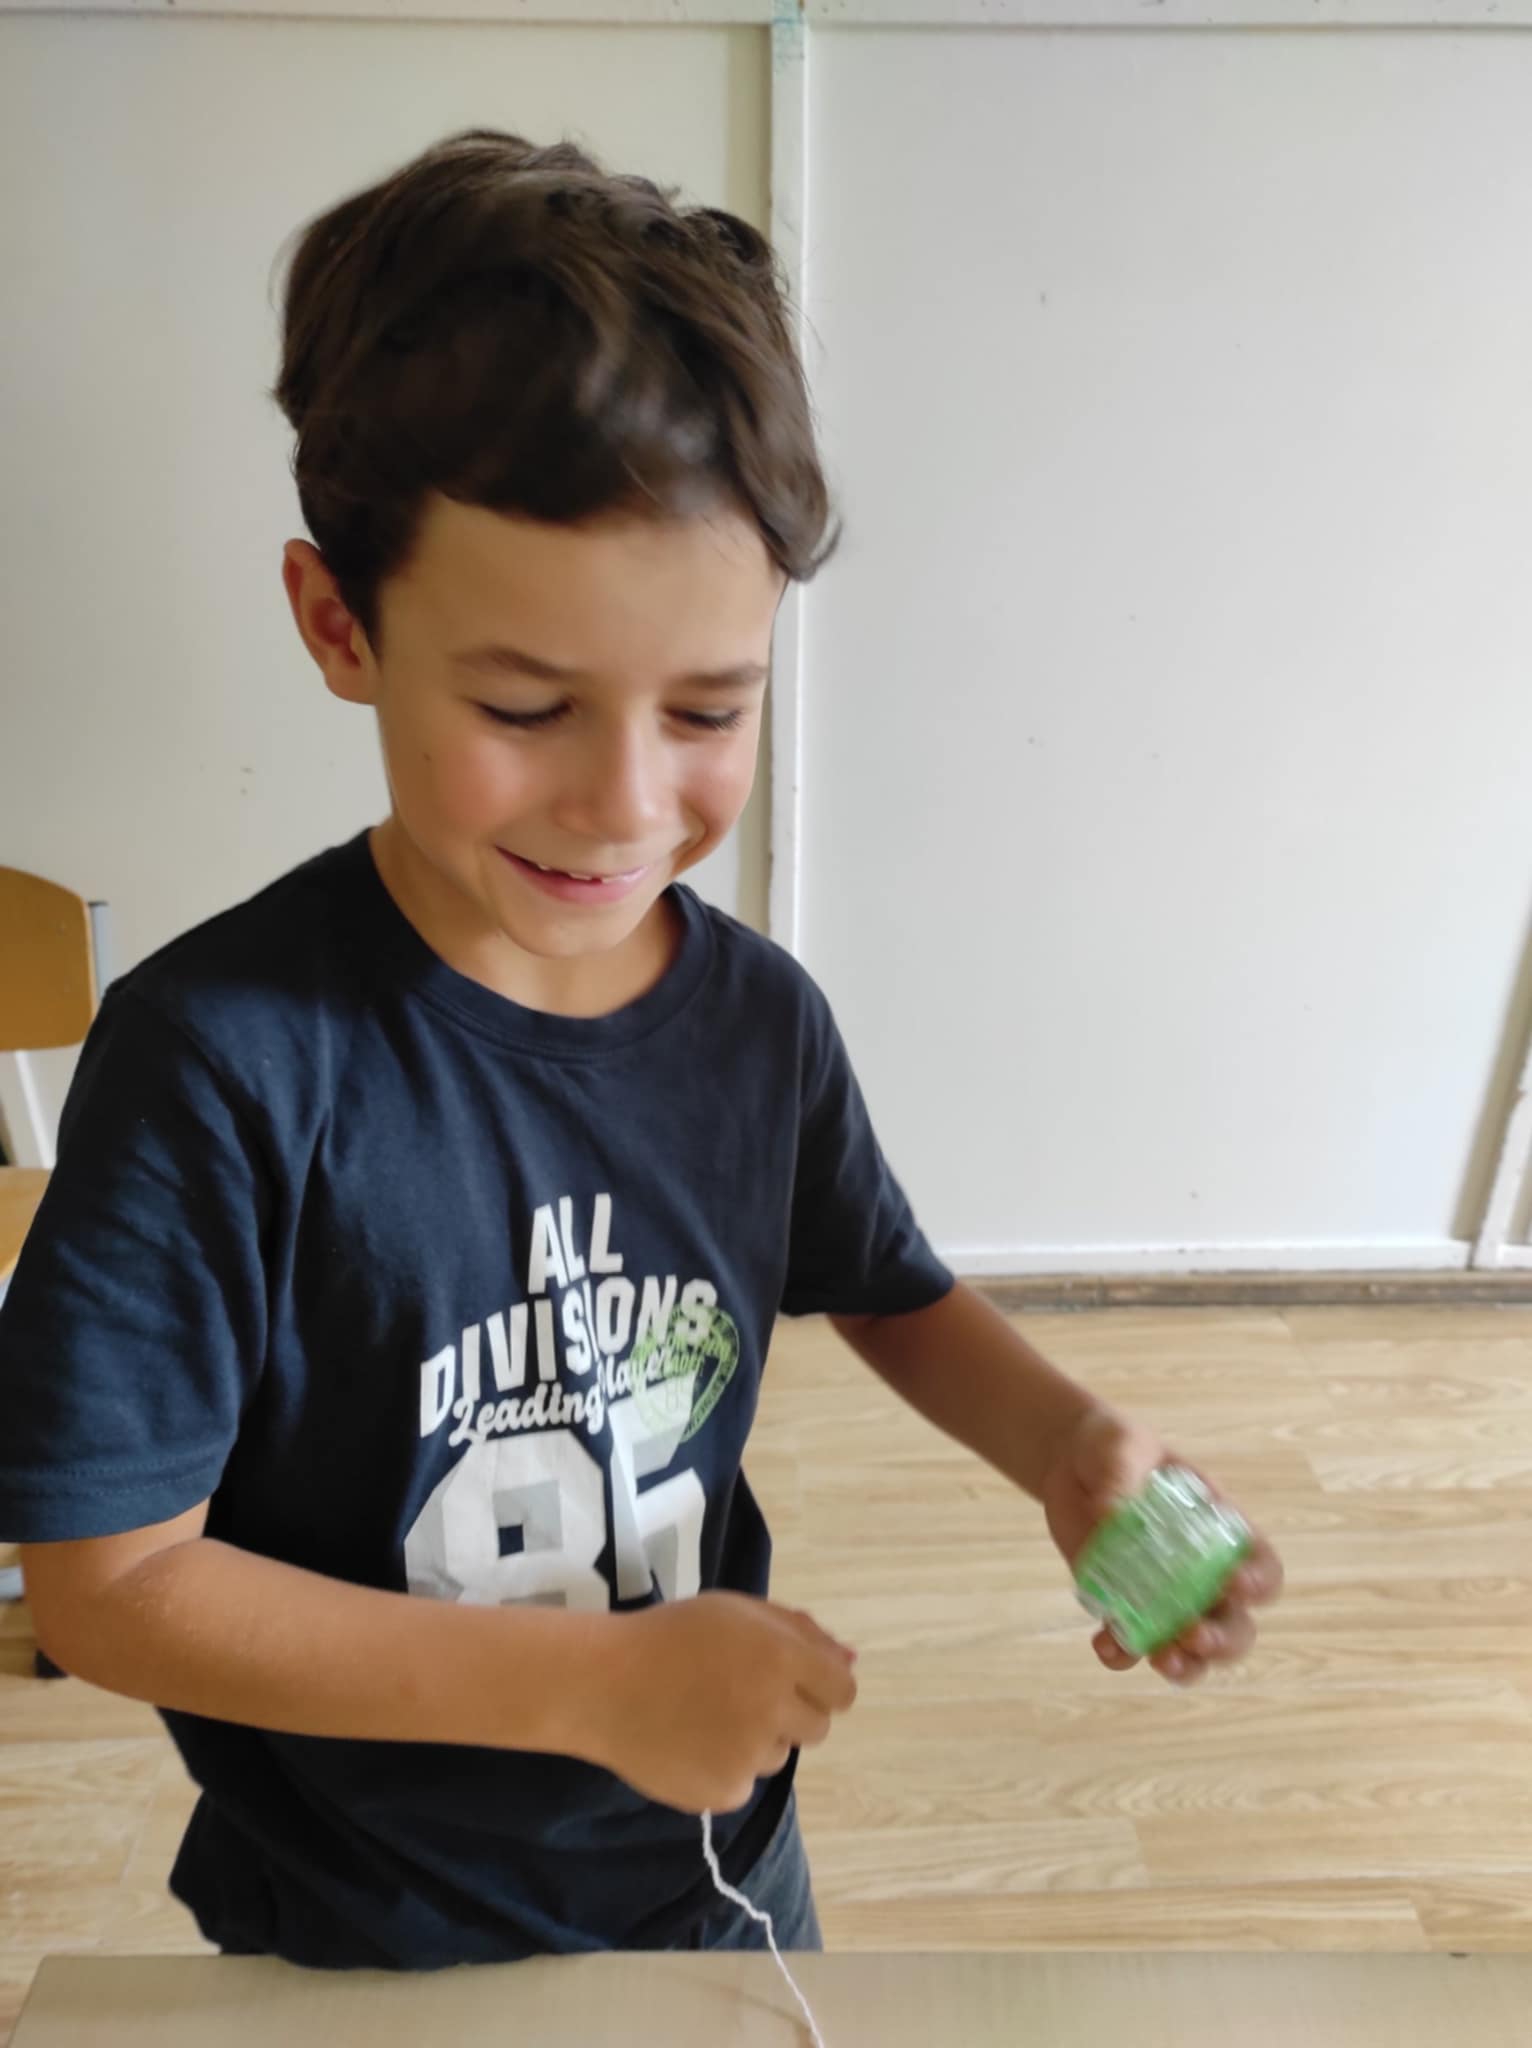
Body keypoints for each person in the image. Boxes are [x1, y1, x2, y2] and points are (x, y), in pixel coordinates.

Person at [0, 129, 1282, 1971]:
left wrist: (1067, 1441)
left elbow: (887, 1286)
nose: (624, 802)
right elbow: (110, 1585)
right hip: (362, 1929)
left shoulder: (758, 1021)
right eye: (527, 705)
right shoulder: (218, 1064)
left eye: (708, 709)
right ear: (340, 624)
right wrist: (587, 1688)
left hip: (718, 1863)